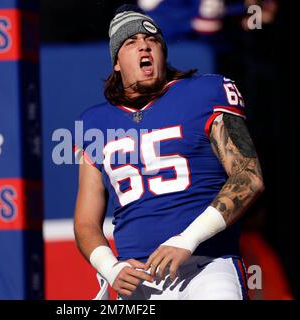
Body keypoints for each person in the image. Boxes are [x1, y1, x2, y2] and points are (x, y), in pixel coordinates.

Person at [73, 4, 264, 300]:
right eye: (131, 42)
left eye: (152, 41)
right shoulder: (93, 122)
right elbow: (86, 221)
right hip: (140, 276)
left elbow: (248, 177)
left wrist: (187, 240)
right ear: (117, 62)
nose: (144, 47)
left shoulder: (206, 92)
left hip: (208, 264)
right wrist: (110, 269)